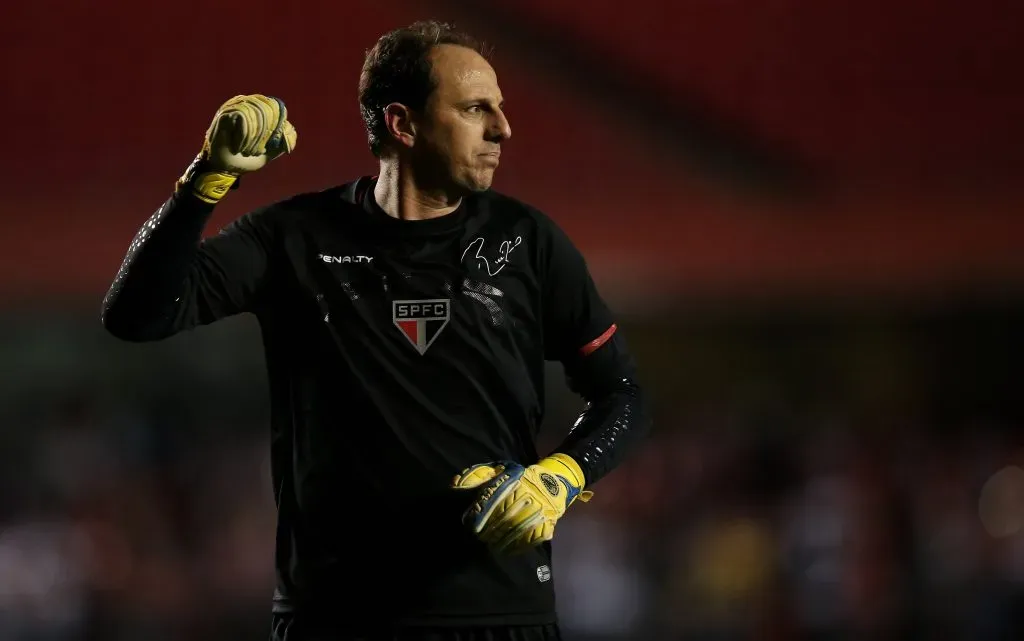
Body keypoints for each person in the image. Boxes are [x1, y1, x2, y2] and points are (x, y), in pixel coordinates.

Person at [101, 20, 651, 641]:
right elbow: (137, 315)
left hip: (499, 614)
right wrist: (205, 181)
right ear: (403, 123)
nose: (503, 128)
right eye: (476, 109)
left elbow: (623, 393)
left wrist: (564, 476)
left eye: (499, 107)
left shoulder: (527, 242)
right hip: (334, 615)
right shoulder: (294, 237)